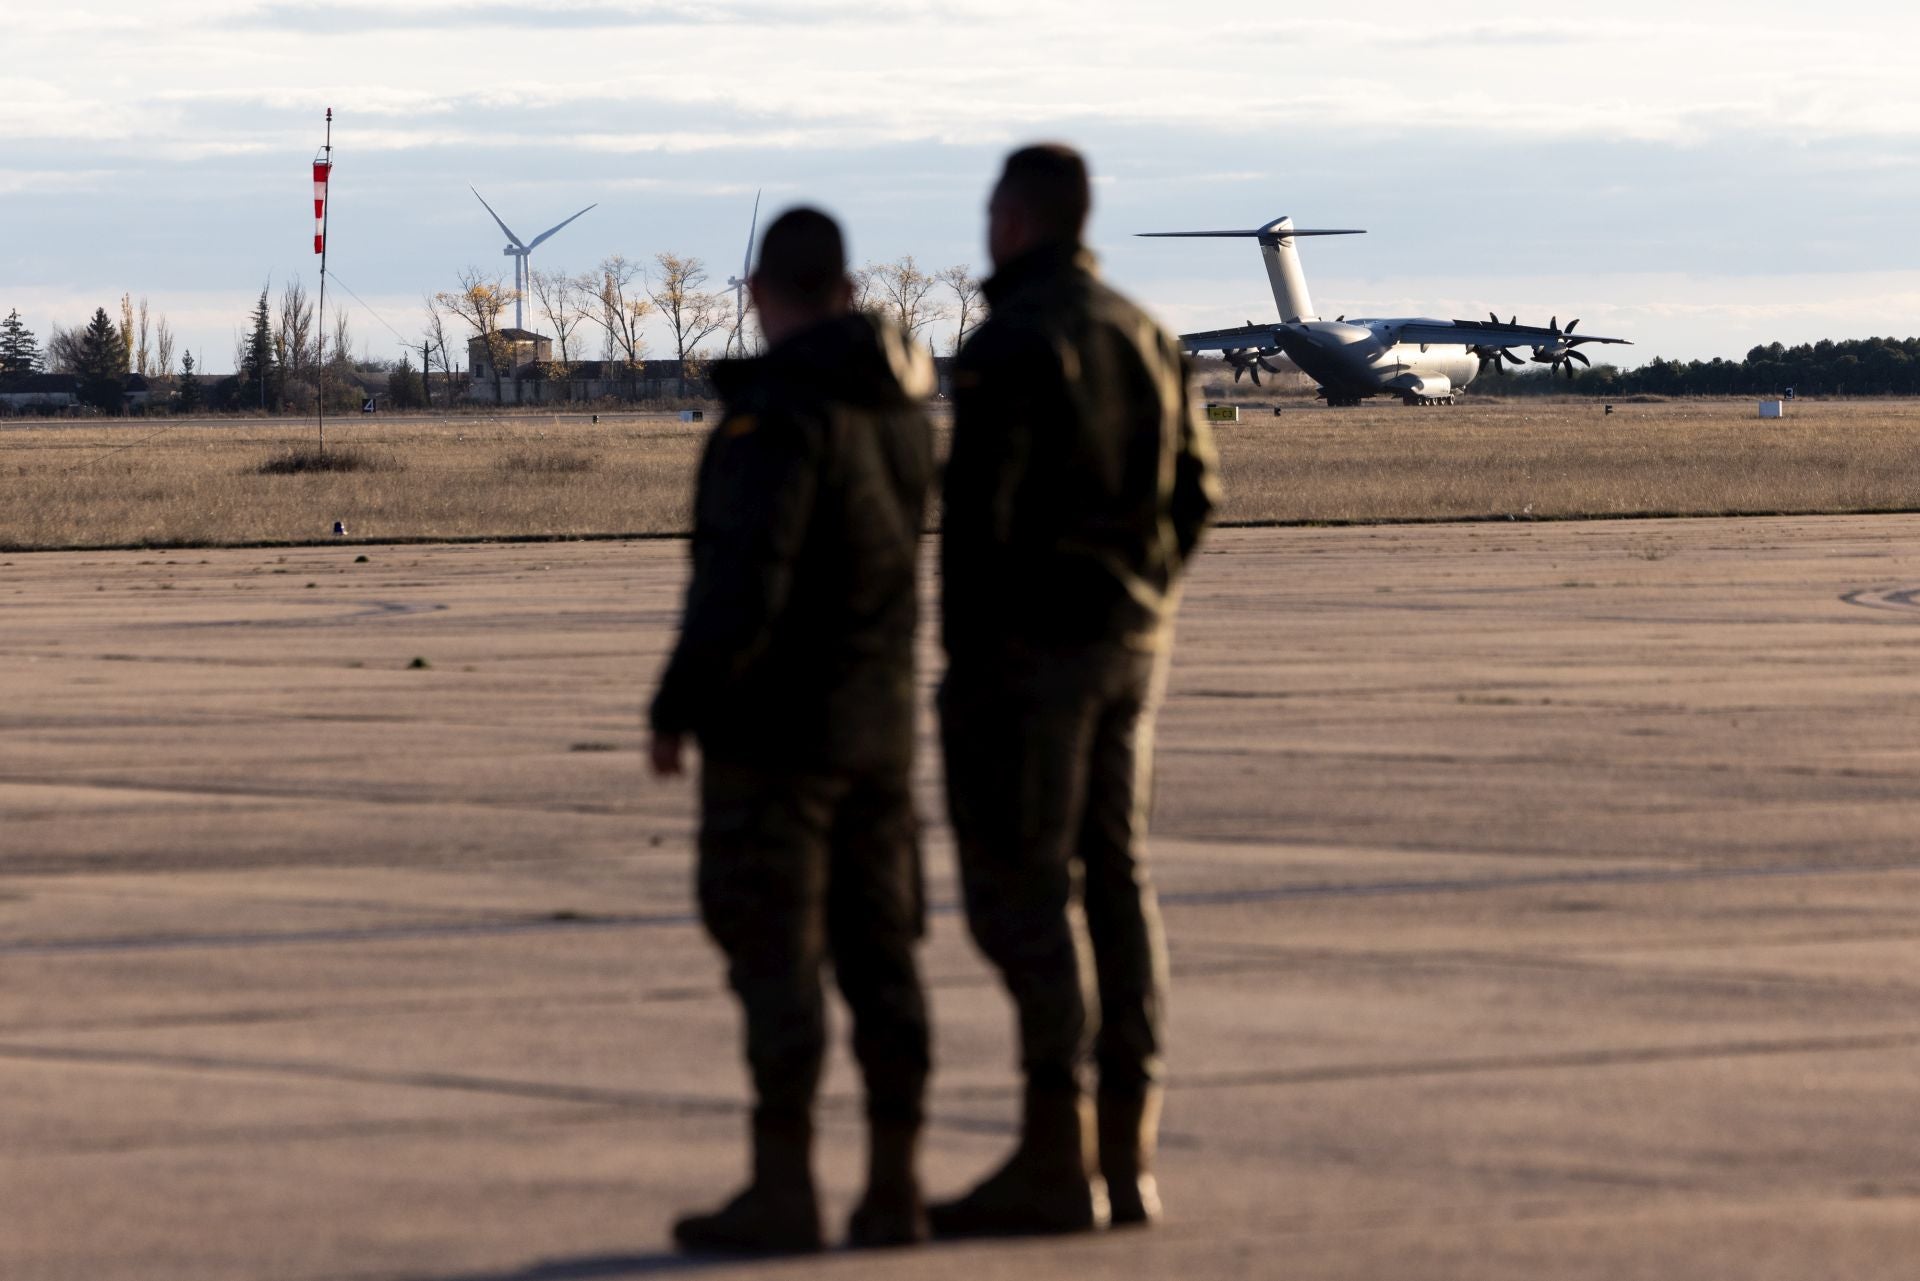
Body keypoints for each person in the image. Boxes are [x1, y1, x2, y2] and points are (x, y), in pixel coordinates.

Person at [932, 144, 1220, 1237]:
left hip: (1029, 657)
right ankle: (1126, 1154)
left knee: (1022, 886)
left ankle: (1056, 1151)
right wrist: (1144, 597)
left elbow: (977, 530)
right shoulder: (1141, 332)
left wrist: (970, 671)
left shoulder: (1014, 343)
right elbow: (1197, 490)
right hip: (1129, 647)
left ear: (1016, 219)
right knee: (1119, 877)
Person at [648, 206, 937, 1253]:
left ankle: (784, 1188)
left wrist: (681, 702)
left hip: (779, 730)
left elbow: (743, 576)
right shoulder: (905, 413)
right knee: (882, 956)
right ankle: (896, 1186)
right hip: (880, 724)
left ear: (763, 292)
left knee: (777, 954)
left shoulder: (776, 418)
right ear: (849, 292)